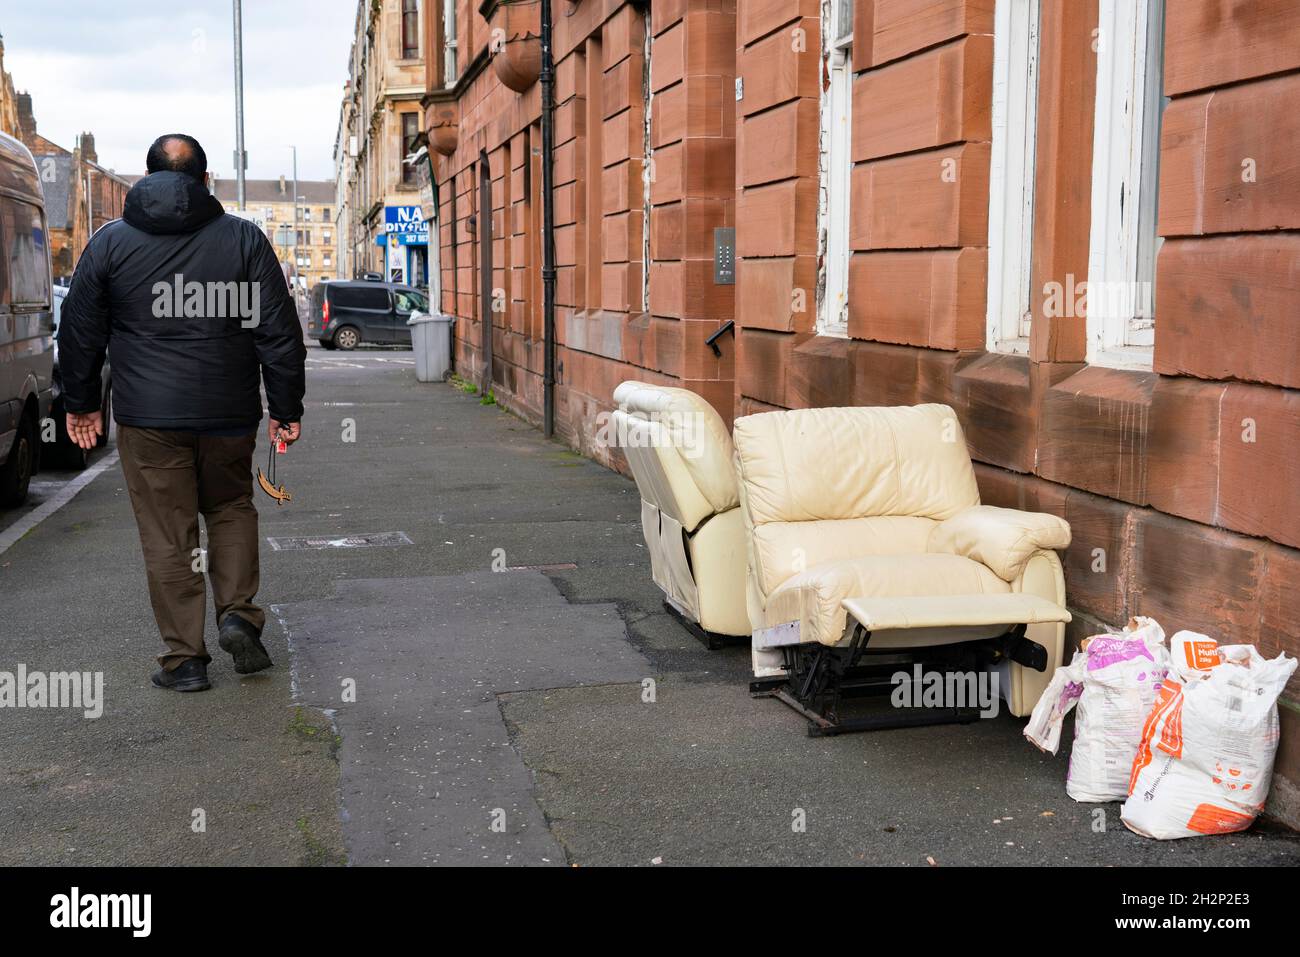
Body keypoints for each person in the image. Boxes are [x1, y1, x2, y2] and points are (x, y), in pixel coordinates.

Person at [58, 133, 306, 692]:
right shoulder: (243, 240)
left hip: (149, 419)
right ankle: (239, 613)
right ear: (205, 178)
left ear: (147, 178)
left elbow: (78, 332)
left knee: (168, 535)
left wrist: (79, 404)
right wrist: (286, 407)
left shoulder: (109, 244)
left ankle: (185, 660)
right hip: (229, 413)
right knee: (232, 507)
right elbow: (278, 332)